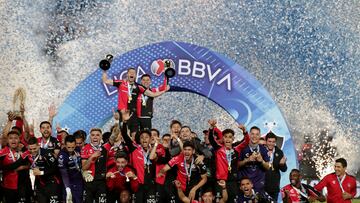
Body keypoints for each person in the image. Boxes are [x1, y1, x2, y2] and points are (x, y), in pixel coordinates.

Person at [102, 68, 167, 137]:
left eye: (134, 73)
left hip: (133, 114)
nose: (132, 74)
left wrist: (164, 91)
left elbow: (152, 94)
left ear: (136, 76)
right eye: (130, 72)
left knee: (134, 135)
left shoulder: (139, 87)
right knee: (124, 134)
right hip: (123, 113)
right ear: (127, 74)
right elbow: (105, 80)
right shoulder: (121, 83)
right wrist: (105, 70)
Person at [207, 119, 250, 203]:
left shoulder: (236, 149)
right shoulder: (218, 148)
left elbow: (246, 141)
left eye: (230, 137)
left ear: (233, 139)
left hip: (232, 182)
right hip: (220, 181)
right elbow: (211, 138)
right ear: (223, 138)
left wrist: (245, 131)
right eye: (225, 137)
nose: (228, 139)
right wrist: (212, 127)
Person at [121, 110, 156, 203]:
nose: (144, 139)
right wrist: (124, 122)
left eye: (146, 137)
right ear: (139, 140)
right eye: (142, 137)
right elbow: (124, 135)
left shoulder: (154, 150)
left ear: (150, 139)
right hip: (138, 185)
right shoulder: (134, 148)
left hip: (151, 185)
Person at [25, 137, 62, 203]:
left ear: (38, 146)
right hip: (40, 184)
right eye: (30, 149)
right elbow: (16, 164)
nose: (32, 151)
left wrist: (41, 172)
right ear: (27, 147)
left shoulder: (46, 153)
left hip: (51, 183)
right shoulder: (27, 154)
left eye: (34, 148)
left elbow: (55, 167)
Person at [0, 130, 31, 203]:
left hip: (23, 187)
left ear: (19, 140)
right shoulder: (2, 153)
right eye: (11, 138)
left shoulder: (24, 152)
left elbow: (30, 164)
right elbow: (1, 168)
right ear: (7, 140)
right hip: (8, 187)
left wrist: (24, 167)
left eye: (16, 138)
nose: (13, 140)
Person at [238, 126, 270, 192]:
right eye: (252, 134)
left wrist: (262, 161)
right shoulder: (243, 149)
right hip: (245, 185)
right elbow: (237, 166)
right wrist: (247, 160)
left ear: (260, 136)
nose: (254, 136)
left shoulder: (263, 149)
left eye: (257, 134)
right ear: (249, 135)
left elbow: (267, 167)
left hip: (258, 184)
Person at [81, 128, 108, 203]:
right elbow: (84, 168)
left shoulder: (105, 148)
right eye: (93, 135)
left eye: (97, 135)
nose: (95, 137)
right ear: (90, 137)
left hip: (101, 182)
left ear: (101, 137)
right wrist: (92, 157)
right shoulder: (85, 148)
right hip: (89, 181)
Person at [58, 135, 83, 203]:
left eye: (73, 147)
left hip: (79, 182)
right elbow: (64, 174)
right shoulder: (62, 156)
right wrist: (68, 189)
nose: (71, 149)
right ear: (65, 145)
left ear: (75, 145)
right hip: (68, 183)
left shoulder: (78, 149)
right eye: (69, 147)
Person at [264, 132, 288, 201]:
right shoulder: (261, 151)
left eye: (273, 142)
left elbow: (284, 169)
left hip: (274, 186)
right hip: (262, 185)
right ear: (266, 141)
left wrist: (282, 164)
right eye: (269, 141)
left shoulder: (279, 152)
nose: (271, 144)